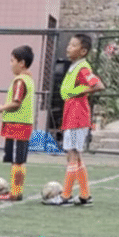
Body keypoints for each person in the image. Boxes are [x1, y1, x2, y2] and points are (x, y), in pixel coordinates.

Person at [49, 34, 104, 206]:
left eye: (73, 45)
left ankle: (65, 196)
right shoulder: (75, 67)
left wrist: (81, 91)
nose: (68, 47)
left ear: (83, 51)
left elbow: (98, 85)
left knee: (72, 156)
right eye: (69, 44)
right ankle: (85, 195)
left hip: (77, 117)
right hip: (72, 116)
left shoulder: (83, 69)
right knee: (76, 157)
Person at [0, 45, 35, 200]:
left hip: (17, 126)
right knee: (19, 160)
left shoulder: (20, 81)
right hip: (22, 125)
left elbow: (16, 102)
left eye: (12, 61)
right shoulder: (28, 79)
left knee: (17, 161)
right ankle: (16, 191)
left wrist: (1, 108)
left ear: (21, 63)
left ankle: (15, 192)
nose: (10, 64)